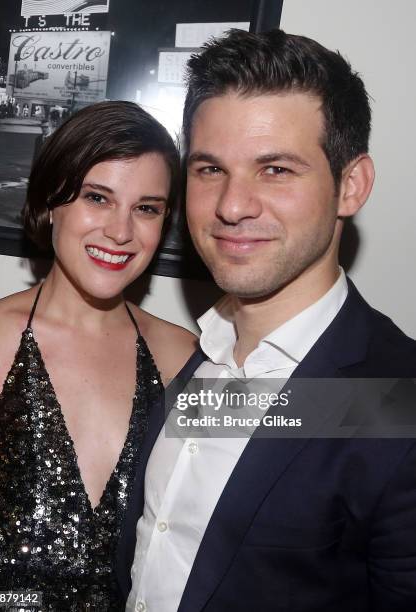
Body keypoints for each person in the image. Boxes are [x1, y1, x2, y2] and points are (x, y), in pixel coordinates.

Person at [121, 30, 416, 611]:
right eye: (209, 169)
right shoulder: (191, 357)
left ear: (350, 186)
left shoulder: (398, 401)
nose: (232, 205)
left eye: (275, 169)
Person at [0, 101, 196, 610]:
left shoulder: (183, 358)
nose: (120, 231)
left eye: (147, 208)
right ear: (52, 201)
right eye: (98, 197)